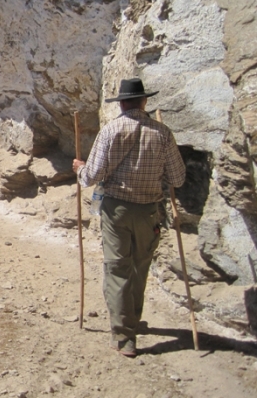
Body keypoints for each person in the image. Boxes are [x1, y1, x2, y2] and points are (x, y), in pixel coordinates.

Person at [72, 78, 185, 357]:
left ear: (122, 103)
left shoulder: (111, 131)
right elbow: (178, 178)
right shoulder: (162, 133)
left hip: (116, 210)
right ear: (144, 101)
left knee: (118, 268)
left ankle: (124, 337)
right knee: (140, 266)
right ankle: (131, 320)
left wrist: (80, 168)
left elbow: (91, 177)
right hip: (149, 211)